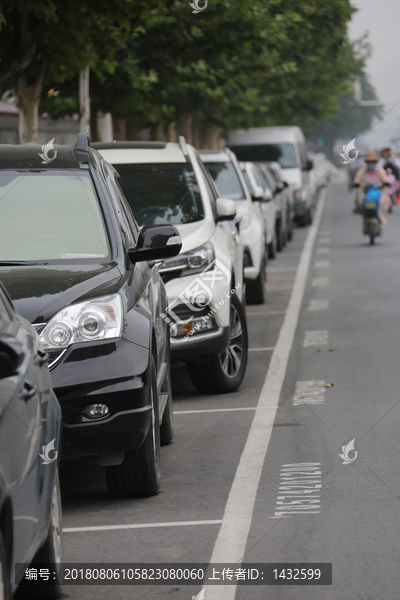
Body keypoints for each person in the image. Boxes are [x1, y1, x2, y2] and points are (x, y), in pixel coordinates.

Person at [353, 151, 390, 228]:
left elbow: (385, 180)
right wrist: (358, 184)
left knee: (383, 201)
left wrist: (384, 183)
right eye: (369, 162)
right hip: (366, 191)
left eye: (372, 162)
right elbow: (356, 181)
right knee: (360, 198)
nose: (371, 163)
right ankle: (363, 221)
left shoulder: (380, 170)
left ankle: (381, 221)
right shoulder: (362, 171)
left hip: (378, 191)